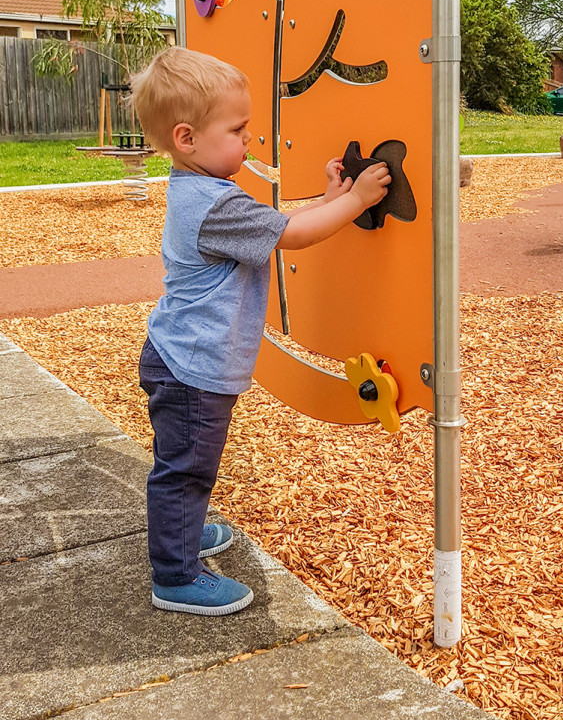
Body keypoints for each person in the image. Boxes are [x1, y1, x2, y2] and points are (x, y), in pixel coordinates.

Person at [130, 46, 390, 617]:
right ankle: (174, 575)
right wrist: (357, 200)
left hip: (183, 357)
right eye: (238, 129)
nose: (250, 139)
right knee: (187, 466)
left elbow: (279, 226)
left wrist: (331, 199)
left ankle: (183, 529)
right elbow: (293, 237)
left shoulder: (200, 190)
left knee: (186, 461)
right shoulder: (214, 204)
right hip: (193, 367)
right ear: (186, 138)